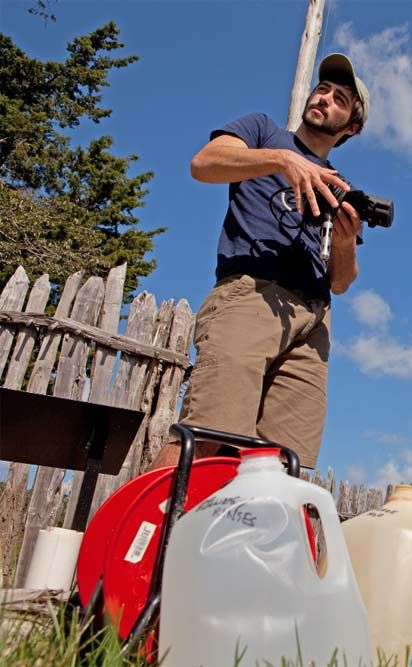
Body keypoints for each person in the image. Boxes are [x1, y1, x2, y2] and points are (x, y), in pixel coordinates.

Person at [151, 54, 371, 470]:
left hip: (314, 319)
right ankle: (140, 533)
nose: (324, 97)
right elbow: (204, 164)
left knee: (283, 464)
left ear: (352, 127)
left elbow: (342, 281)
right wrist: (282, 159)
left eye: (339, 98)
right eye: (322, 88)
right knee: (209, 432)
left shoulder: (340, 187)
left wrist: (345, 243)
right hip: (251, 293)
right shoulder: (264, 130)